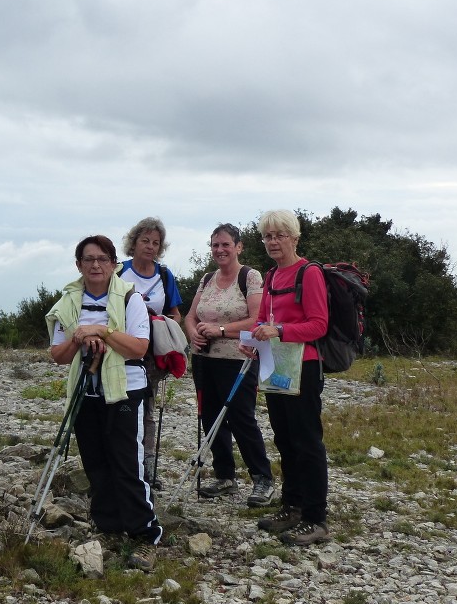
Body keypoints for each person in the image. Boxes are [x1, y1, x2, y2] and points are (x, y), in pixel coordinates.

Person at [46, 235, 164, 570]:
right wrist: (78, 337)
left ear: (114, 264)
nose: (95, 265)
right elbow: (57, 355)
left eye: (102, 259)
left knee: (127, 462)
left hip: (126, 388)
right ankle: (110, 523)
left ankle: (145, 534)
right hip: (87, 390)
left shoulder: (130, 299)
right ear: (78, 265)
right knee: (96, 461)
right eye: (88, 259)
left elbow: (139, 347)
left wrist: (104, 332)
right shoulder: (68, 302)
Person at [247, 210, 331, 547]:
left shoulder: (309, 273)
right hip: (277, 367)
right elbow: (261, 320)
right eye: (267, 236)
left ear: (294, 238)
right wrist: (254, 341)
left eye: (279, 235)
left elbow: (318, 324)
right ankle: (291, 507)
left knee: (307, 441)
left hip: (305, 366)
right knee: (284, 438)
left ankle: (315, 518)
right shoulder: (270, 277)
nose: (272, 242)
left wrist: (278, 330)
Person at [184, 224, 275, 507]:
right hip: (204, 359)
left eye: (225, 244)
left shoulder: (250, 277)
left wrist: (220, 329)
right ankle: (225, 475)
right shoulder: (207, 278)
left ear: (239, 247)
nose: (220, 250)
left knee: (241, 418)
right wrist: (193, 334)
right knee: (210, 417)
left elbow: (257, 319)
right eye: (215, 245)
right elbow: (190, 316)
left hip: (238, 359)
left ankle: (263, 478)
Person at [118, 217, 183, 485]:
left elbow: (176, 314)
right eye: (145, 240)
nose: (150, 247)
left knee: (147, 405)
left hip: (152, 354)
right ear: (134, 243)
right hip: (122, 347)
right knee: (120, 402)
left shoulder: (165, 276)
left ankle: (147, 466)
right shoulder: (118, 272)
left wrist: (162, 326)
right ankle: (123, 459)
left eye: (155, 243)